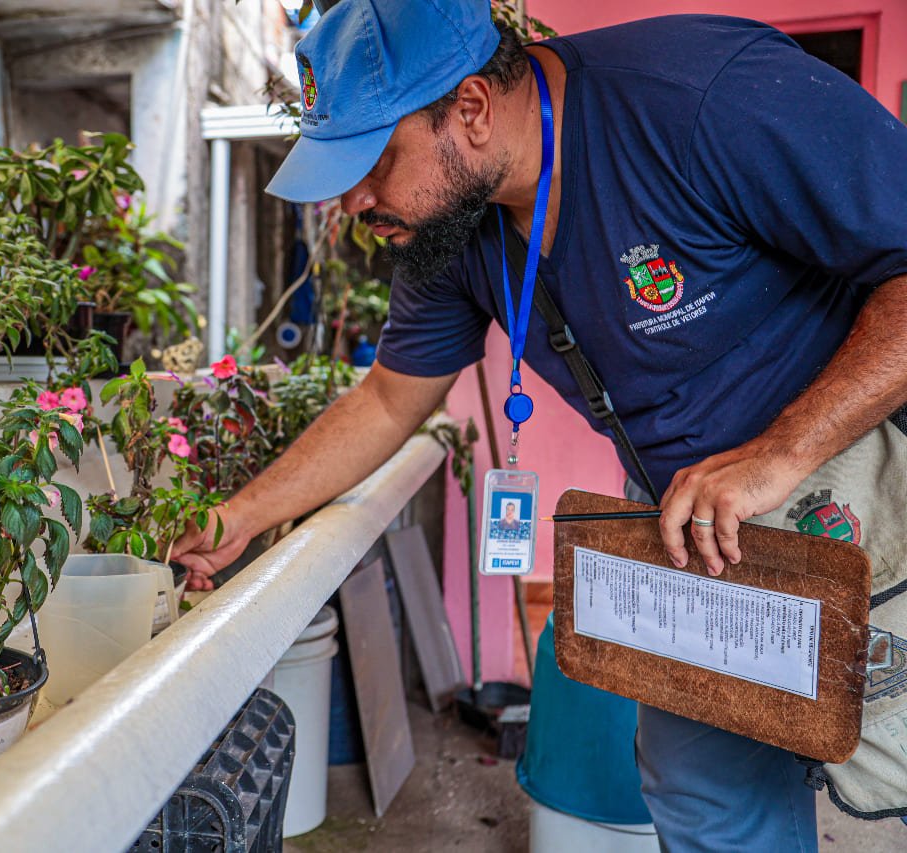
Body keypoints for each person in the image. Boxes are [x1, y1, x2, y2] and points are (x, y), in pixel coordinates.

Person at [173, 1, 907, 849]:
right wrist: (235, 519)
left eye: (374, 161)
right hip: (692, 521)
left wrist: (778, 455)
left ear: (473, 109)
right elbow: (387, 400)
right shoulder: (447, 227)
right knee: (702, 789)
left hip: (856, 474)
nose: (355, 201)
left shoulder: (700, 94)